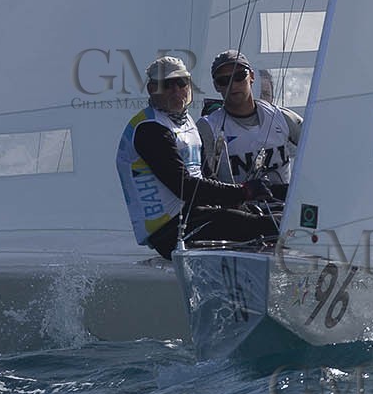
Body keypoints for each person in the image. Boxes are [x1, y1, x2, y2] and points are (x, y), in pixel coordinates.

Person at [115, 55, 278, 259]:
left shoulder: (186, 121)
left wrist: (239, 202)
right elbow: (184, 187)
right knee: (270, 226)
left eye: (181, 83)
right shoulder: (150, 130)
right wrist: (242, 192)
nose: (176, 90)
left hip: (193, 216)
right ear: (152, 89)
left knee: (268, 214)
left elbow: (206, 176)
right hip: (170, 230)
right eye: (167, 85)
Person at [198, 50, 301, 198]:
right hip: (241, 214)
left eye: (239, 76)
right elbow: (202, 183)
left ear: (251, 76)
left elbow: (317, 148)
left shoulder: (282, 117)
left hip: (285, 210)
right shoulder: (207, 127)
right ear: (216, 86)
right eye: (224, 80)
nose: (233, 85)